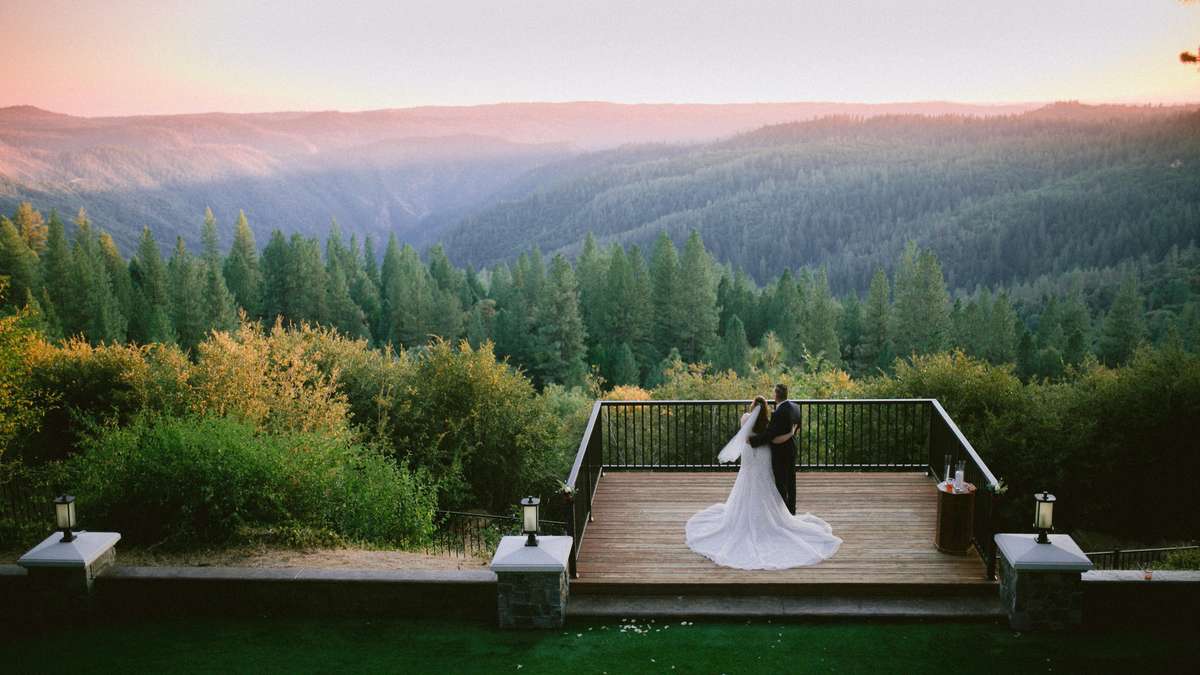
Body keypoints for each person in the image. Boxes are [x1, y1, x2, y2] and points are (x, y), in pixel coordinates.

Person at [684, 394, 841, 570]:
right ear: (766, 407)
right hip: (764, 454)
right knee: (765, 481)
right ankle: (771, 517)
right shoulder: (769, 421)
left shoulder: (745, 418)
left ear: (753, 406)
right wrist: (790, 432)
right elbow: (771, 438)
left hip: (750, 455)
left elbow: (744, 438)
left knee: (747, 479)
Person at [752, 383, 799, 514]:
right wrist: (789, 435)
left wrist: (752, 441)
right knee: (791, 482)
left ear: (776, 395)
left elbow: (770, 434)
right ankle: (791, 510)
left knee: (781, 483)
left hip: (781, 452)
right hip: (792, 449)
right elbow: (796, 428)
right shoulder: (796, 407)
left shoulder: (778, 413)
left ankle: (783, 513)